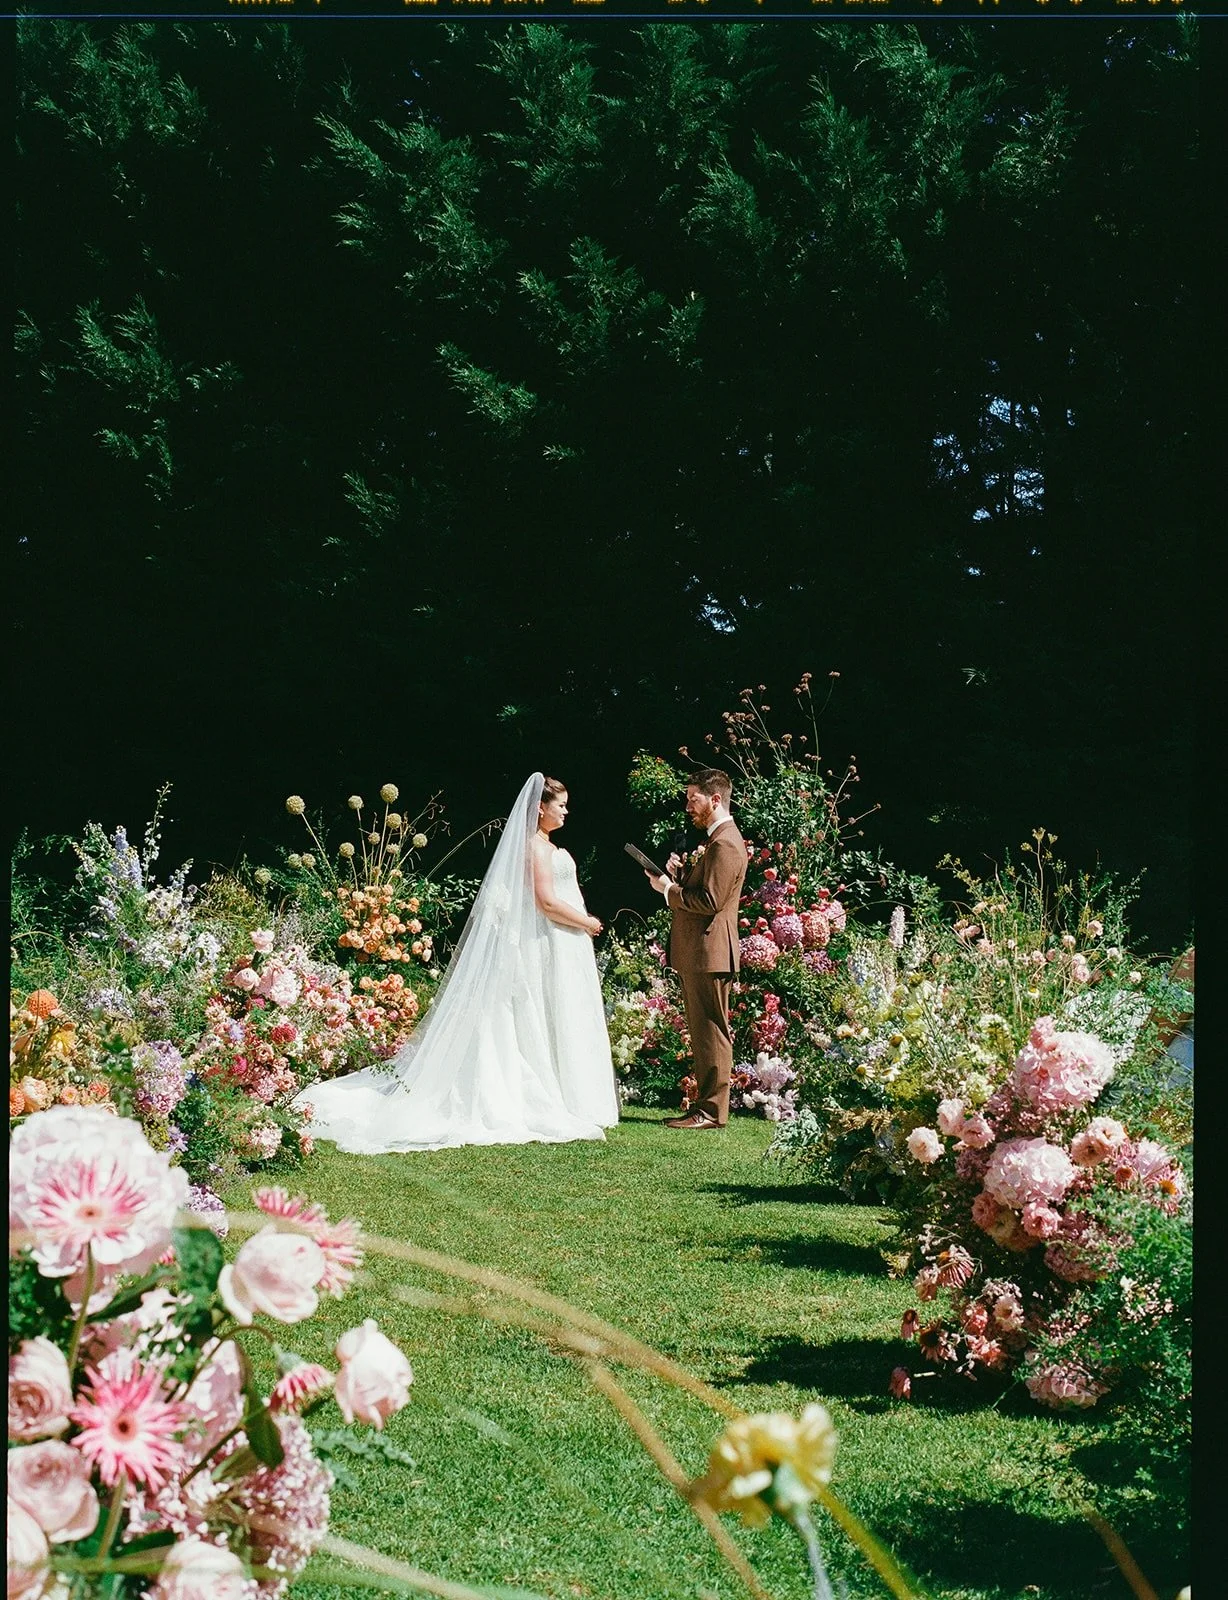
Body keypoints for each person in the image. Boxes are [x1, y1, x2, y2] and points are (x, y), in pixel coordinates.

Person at [296, 773, 620, 1153]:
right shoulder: (533, 847)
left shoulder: (548, 845)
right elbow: (545, 901)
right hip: (551, 937)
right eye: (560, 805)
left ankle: (570, 1093)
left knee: (557, 1013)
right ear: (539, 808)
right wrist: (588, 922)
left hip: (564, 942)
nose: (566, 812)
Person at [645, 767, 748, 1131]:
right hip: (703, 951)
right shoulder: (719, 841)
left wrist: (668, 891)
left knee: (711, 1030)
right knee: (704, 1030)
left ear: (715, 799)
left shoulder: (725, 843)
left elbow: (709, 900)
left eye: (694, 798)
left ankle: (711, 1112)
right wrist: (676, 877)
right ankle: (706, 1108)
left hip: (710, 951)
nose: (688, 805)